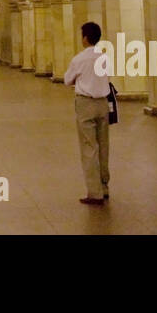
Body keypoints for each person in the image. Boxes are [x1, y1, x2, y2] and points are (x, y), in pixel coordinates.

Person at [65, 22, 111, 205]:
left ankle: (94, 192)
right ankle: (105, 185)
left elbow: (68, 80)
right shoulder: (105, 58)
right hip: (103, 104)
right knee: (104, 146)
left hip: (85, 104)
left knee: (89, 147)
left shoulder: (79, 59)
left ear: (85, 38)